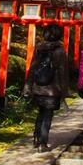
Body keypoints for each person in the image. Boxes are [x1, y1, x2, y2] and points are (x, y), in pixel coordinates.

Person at [23, 24, 69, 152]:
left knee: (40, 113)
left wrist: (28, 86)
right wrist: (64, 91)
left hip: (38, 87)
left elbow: (32, 68)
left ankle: (36, 139)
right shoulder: (60, 51)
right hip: (52, 90)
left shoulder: (39, 49)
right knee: (48, 116)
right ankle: (43, 142)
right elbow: (63, 72)